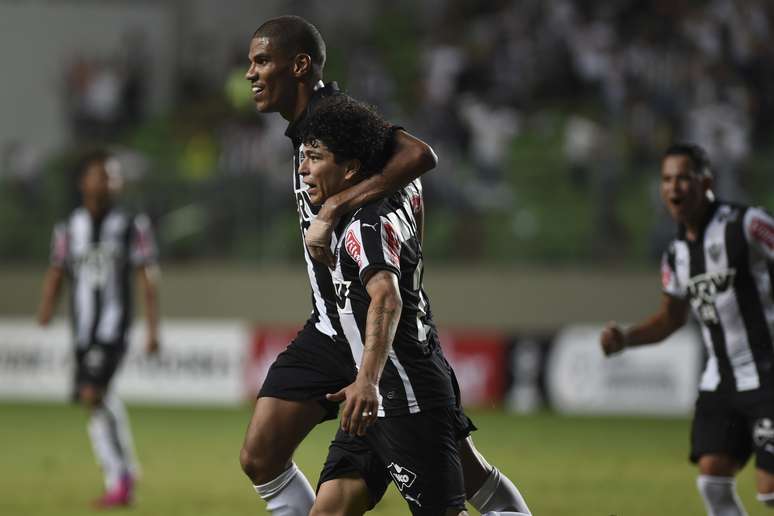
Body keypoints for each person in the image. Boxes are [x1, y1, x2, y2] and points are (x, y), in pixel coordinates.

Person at [240, 14, 530, 516]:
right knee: (260, 455)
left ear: (300, 65)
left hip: (387, 335)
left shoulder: (337, 117)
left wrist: (335, 207)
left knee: (456, 468)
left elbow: (421, 154)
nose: (251, 73)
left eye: (262, 61)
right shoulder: (305, 132)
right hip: (332, 329)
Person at [600, 143, 774, 515]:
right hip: (721, 380)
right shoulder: (676, 255)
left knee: (769, 490)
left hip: (768, 372)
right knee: (712, 479)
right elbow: (670, 319)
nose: (673, 187)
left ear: (706, 182)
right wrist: (625, 338)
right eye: (666, 179)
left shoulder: (747, 224)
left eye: (683, 177)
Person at [37, 150, 160, 508]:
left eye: (114, 176)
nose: (109, 182)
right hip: (82, 332)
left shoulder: (131, 225)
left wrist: (152, 329)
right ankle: (123, 474)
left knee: (92, 394)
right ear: (83, 182)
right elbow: (57, 270)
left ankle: (120, 477)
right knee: (95, 402)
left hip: (112, 329)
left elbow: (146, 276)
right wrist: (46, 309)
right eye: (102, 175)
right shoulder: (67, 228)